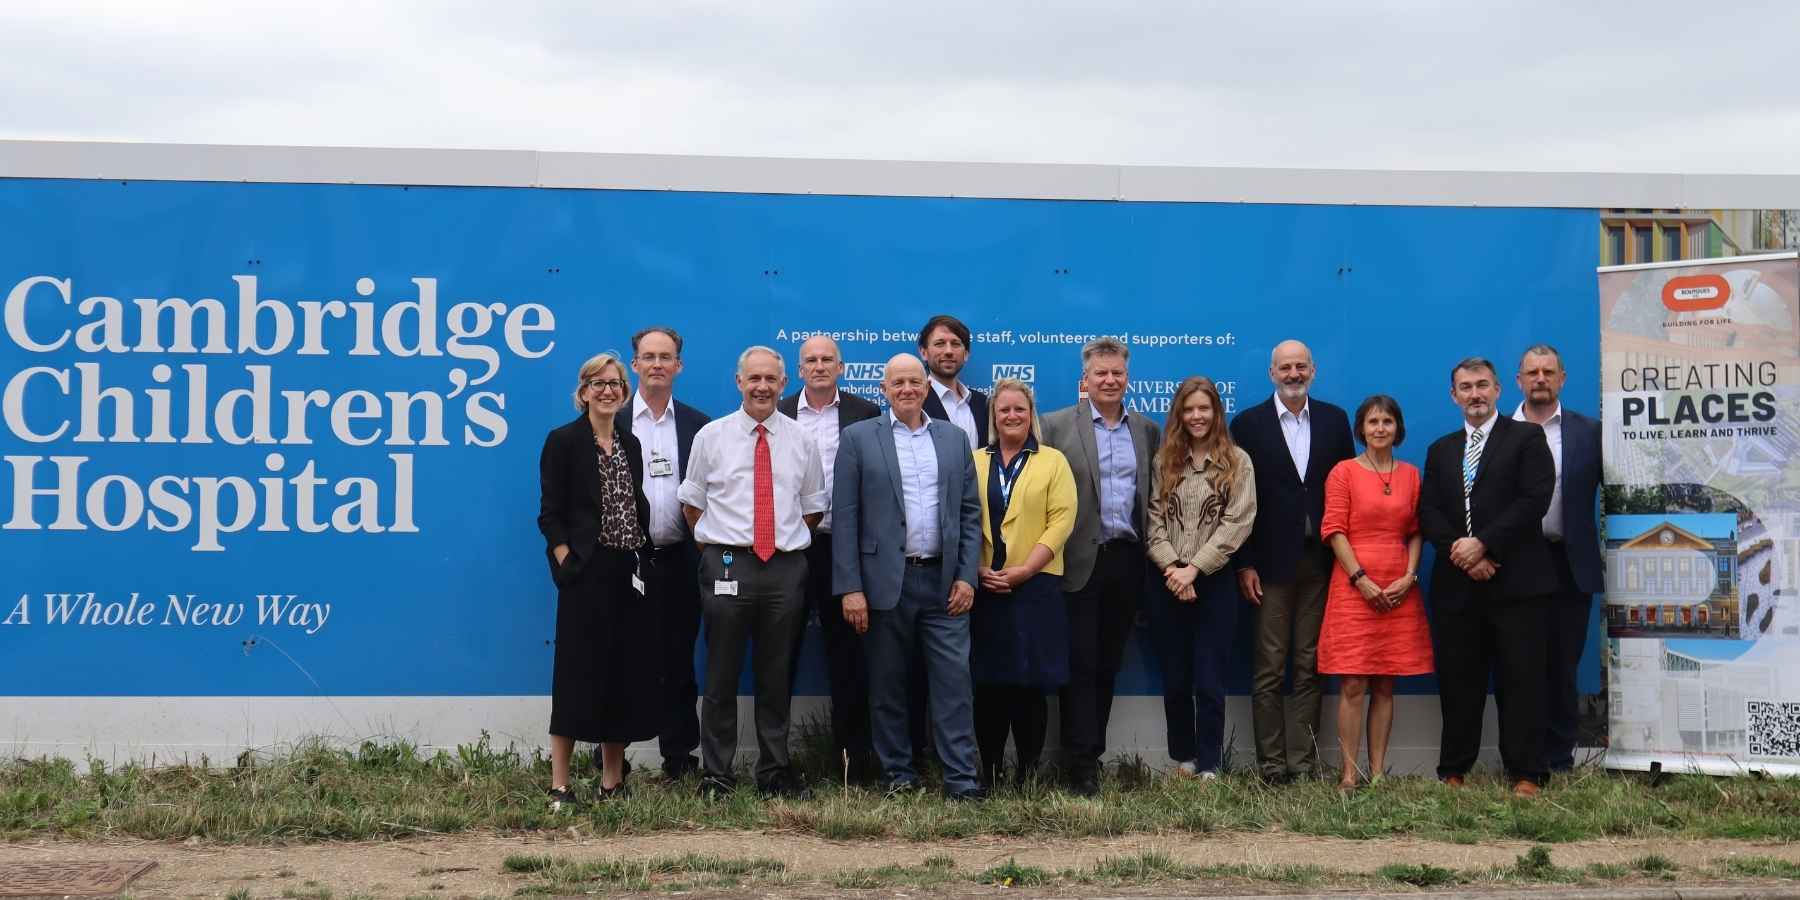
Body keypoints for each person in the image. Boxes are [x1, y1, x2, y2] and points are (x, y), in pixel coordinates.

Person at [832, 353, 986, 801]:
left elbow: (970, 514)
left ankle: (961, 780)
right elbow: (845, 518)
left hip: (944, 585)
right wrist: (851, 588)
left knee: (954, 686)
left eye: (914, 382)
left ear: (925, 387)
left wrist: (966, 577)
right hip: (884, 585)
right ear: (884, 389)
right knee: (888, 686)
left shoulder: (955, 439)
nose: (906, 389)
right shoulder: (859, 438)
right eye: (897, 382)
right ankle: (898, 777)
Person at [678, 346, 827, 798]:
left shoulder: (803, 440)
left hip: (784, 568)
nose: (762, 387)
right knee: (721, 674)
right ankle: (717, 775)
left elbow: (813, 509)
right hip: (727, 562)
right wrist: (724, 546)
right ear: (738, 382)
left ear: (784, 385)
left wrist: (778, 543)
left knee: (776, 673)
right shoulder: (711, 436)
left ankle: (774, 772)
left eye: (771, 379)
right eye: (754, 378)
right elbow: (691, 505)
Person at [1419, 356, 1557, 797]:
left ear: (1498, 390)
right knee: (1460, 683)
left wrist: (1486, 544)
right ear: (1453, 395)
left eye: (1482, 385)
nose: (1474, 394)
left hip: (1517, 584)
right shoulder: (1440, 449)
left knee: (1521, 681)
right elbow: (1429, 511)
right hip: (1458, 588)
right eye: (1465, 387)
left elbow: (1534, 499)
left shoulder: (1527, 438)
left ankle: (1526, 773)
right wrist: (1464, 554)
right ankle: (1454, 770)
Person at [1228, 339, 1355, 784]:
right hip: (1267, 565)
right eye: (1285, 367)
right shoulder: (1247, 424)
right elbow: (1236, 500)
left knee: (1309, 664)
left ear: (1313, 371)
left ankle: (1303, 763)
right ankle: (1272, 766)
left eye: (1301, 366)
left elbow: (1346, 491)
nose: (1294, 373)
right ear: (1271, 373)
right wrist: (1243, 563)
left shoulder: (1336, 421)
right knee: (1268, 665)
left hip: (1321, 562)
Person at [536, 352, 658, 811]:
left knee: (622, 676)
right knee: (575, 675)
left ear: (624, 392)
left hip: (628, 574)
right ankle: (561, 786)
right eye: (598, 384)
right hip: (586, 574)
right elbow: (550, 515)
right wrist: (568, 563)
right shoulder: (563, 441)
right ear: (583, 391)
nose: (608, 391)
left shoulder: (631, 444)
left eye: (615, 384)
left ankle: (612, 783)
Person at [1041, 337, 1160, 796]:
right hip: (1073, 562)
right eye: (1100, 374)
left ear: (1127, 378)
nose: (1109, 380)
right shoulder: (1053, 426)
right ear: (1085, 380)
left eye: (1117, 374)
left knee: (1108, 665)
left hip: (1126, 562)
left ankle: (1093, 753)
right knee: (1078, 665)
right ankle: (1079, 763)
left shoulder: (1146, 430)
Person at [778, 335, 883, 781]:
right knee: (779, 655)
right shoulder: (778, 412)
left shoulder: (866, 414)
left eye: (827, 360)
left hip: (845, 549)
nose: (819, 366)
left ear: (841, 367)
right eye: (810, 361)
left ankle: (853, 766)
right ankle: (775, 765)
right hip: (789, 548)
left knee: (850, 659)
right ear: (799, 370)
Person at [1318, 395, 1433, 793]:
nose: (1380, 428)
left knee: (1386, 684)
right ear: (1361, 429)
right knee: (1353, 684)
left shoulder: (1412, 476)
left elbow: (1417, 530)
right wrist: (1360, 579)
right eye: (1372, 422)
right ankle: (1349, 774)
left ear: (1397, 428)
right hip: (1355, 588)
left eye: (1387, 421)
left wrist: (1410, 575)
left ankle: (1379, 771)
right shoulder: (1343, 472)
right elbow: (1333, 529)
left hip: (1399, 589)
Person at [1145, 376, 1256, 780]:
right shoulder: (1164, 462)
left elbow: (1237, 522)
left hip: (1215, 582)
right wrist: (1174, 568)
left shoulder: (1238, 462)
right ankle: (1185, 758)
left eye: (1203, 409)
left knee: (1209, 678)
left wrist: (1195, 568)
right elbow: (1152, 520)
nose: (1196, 416)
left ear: (1216, 413)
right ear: (1179, 414)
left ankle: (1210, 763)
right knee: (1175, 677)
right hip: (1167, 580)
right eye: (1189, 409)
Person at [971, 378, 1077, 788]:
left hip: (1035, 589)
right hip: (985, 588)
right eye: (1004, 410)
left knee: (1030, 686)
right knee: (990, 686)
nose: (1012, 416)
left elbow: (1061, 522)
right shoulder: (975, 460)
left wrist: (1026, 570)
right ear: (993, 416)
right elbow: (962, 521)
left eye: (1020, 409)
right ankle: (992, 773)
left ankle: (1028, 775)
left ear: (1031, 415)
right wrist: (977, 570)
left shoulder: (1053, 461)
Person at [616, 325, 711, 780]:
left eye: (665, 357)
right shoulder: (610, 420)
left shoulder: (699, 425)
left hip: (679, 560)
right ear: (634, 364)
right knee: (621, 660)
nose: (657, 364)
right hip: (622, 565)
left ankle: (679, 757)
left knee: (678, 663)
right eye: (648, 356)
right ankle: (612, 759)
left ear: (679, 366)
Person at [1513, 345, 1602, 774]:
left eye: (1549, 372)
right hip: (1514, 566)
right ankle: (1522, 759)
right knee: (1520, 665)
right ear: (1519, 381)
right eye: (1533, 372)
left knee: (1563, 666)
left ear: (1562, 378)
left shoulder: (1589, 432)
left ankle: (1559, 760)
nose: (1541, 379)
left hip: (1570, 563)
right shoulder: (1499, 431)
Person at [919, 314, 990, 448]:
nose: (949, 351)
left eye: (956, 344)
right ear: (924, 352)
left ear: (966, 354)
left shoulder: (983, 404)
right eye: (940, 344)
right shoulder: (915, 400)